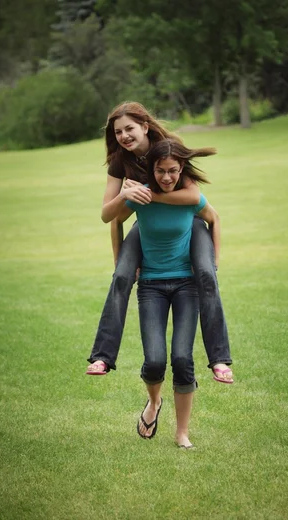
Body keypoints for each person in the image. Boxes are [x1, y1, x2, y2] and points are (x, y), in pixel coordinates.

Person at [86, 102, 233, 384]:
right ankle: (102, 356)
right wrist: (126, 195)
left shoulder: (166, 148)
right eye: (118, 132)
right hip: (146, 223)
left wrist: (149, 195)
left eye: (129, 128)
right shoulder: (120, 161)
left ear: (144, 126)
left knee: (206, 274)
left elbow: (193, 198)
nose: (124, 136)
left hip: (188, 221)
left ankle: (219, 358)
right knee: (120, 278)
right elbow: (109, 215)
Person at [116, 139, 221, 448]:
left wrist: (213, 264)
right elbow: (114, 220)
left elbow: (215, 219)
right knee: (154, 361)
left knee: (182, 358)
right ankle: (154, 402)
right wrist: (123, 262)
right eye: (160, 171)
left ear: (181, 169)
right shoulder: (141, 197)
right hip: (151, 286)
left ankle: (182, 433)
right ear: (152, 169)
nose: (166, 177)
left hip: (187, 284)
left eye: (173, 171)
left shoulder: (190, 198)